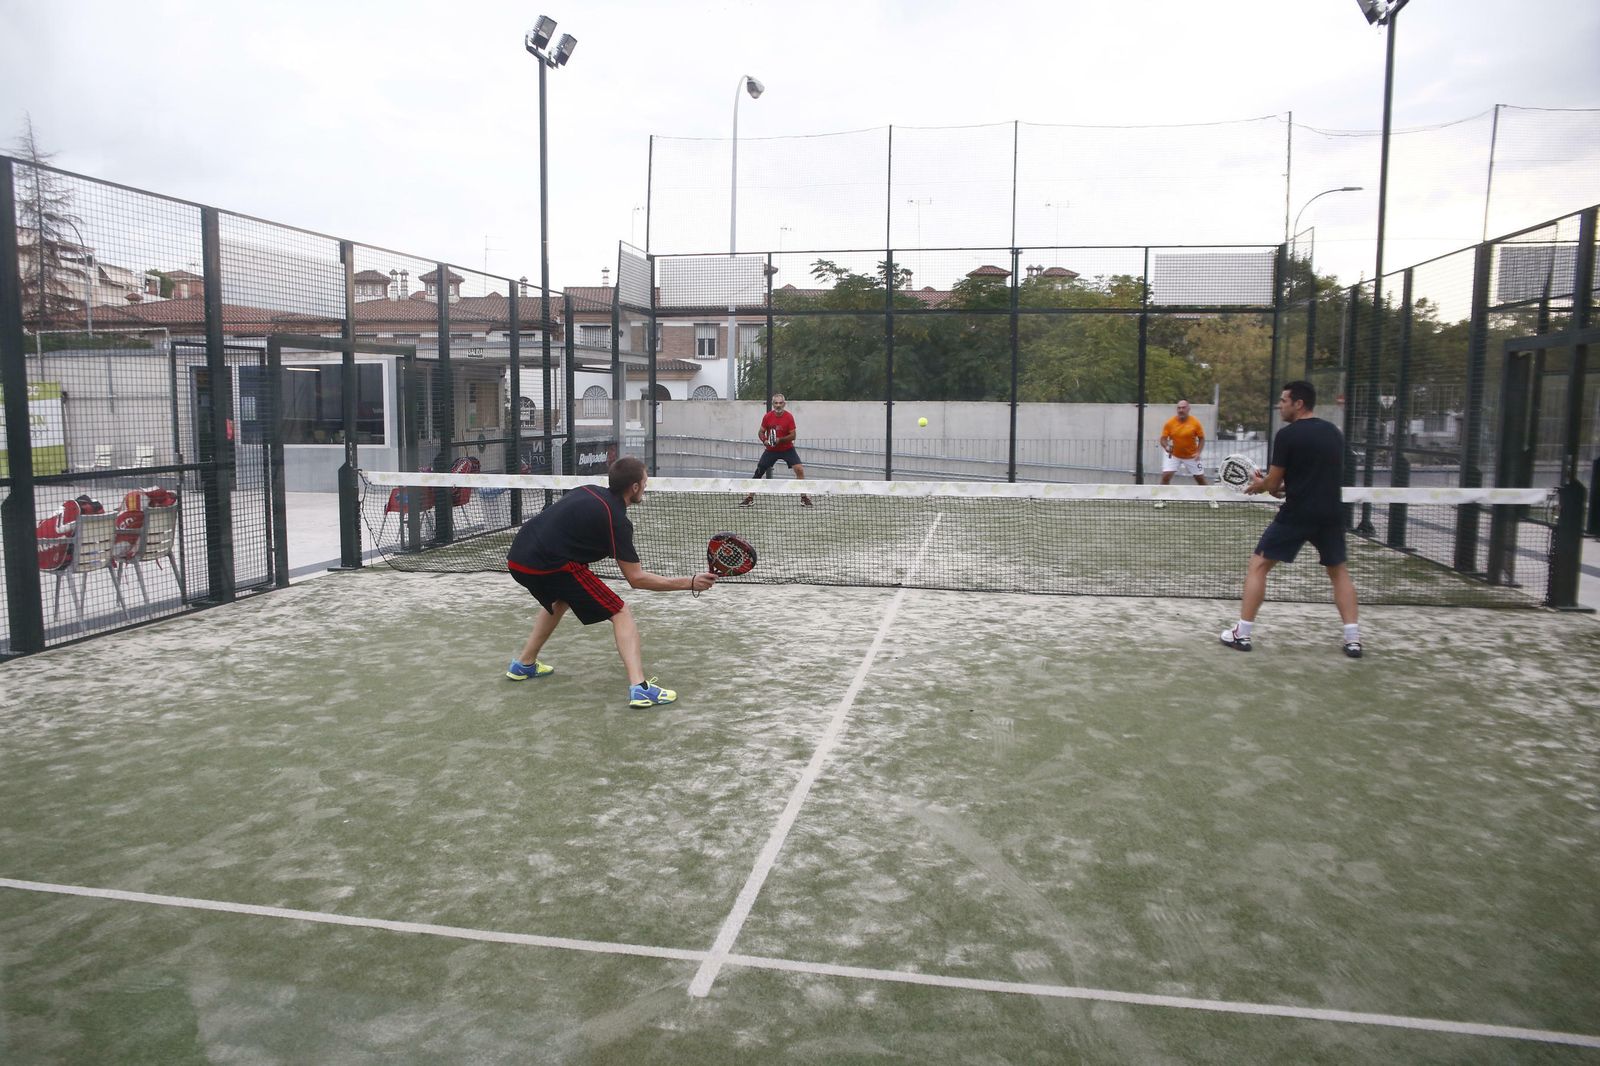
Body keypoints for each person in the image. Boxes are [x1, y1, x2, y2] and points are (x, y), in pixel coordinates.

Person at [505, 456, 717, 706]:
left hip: (518, 557)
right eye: (645, 482)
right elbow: (636, 579)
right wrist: (689, 582)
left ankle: (524, 664)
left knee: (560, 599)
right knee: (620, 611)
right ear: (635, 487)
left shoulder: (588, 490)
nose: (646, 487)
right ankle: (640, 687)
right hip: (548, 563)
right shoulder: (617, 521)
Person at [1220, 380, 1362, 659]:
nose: (1280, 405)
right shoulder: (1334, 433)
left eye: (1284, 401)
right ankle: (1353, 639)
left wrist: (1259, 484)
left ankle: (1242, 634)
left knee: (1258, 565)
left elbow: (1273, 483)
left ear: (1299, 404)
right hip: (1331, 513)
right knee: (1339, 572)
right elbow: (1312, 478)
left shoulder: (1287, 436)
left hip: (1298, 513)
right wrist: (1278, 487)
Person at [741, 394, 812, 507]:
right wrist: (764, 440)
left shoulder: (789, 417)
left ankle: (804, 498)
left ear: (784, 404)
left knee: (799, 469)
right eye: (776, 403)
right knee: (759, 471)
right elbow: (761, 432)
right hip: (771, 450)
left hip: (787, 449)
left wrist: (779, 440)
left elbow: (793, 436)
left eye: (780, 403)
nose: (778, 405)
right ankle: (749, 498)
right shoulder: (767, 417)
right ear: (773, 404)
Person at [1155, 398, 1216, 509]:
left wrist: (1198, 452)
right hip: (1173, 455)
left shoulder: (1195, 423)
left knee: (1200, 478)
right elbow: (1163, 439)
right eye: (1179, 408)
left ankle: (1211, 499)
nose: (1181, 410)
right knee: (1166, 476)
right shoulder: (1170, 423)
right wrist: (1166, 446)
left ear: (1188, 409)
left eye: (1183, 408)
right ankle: (1161, 499)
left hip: (1191, 455)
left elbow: (1201, 439)